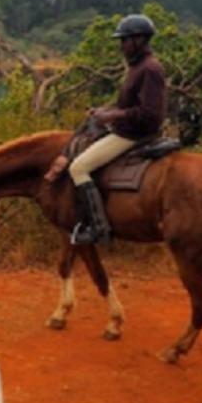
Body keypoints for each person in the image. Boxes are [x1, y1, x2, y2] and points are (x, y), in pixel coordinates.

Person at [64, 14, 167, 245]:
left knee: (78, 168)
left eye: (125, 40)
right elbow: (127, 106)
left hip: (134, 135)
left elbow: (149, 114)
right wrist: (103, 111)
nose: (121, 45)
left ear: (139, 40)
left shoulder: (150, 69)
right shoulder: (137, 67)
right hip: (126, 130)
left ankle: (99, 229)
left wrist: (111, 116)